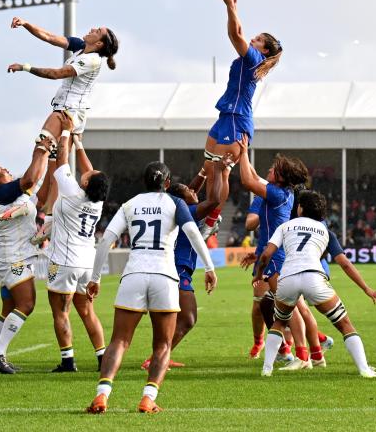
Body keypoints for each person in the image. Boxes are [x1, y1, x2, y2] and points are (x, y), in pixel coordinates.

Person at [85, 162, 217, 414]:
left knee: (119, 341)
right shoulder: (175, 203)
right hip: (164, 276)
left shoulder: (130, 204)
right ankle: (148, 398)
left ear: (144, 182)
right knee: (162, 345)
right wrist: (209, 268)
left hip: (134, 273)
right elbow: (193, 234)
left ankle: (102, 395)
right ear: (167, 183)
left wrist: (95, 278)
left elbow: (105, 242)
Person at [4, 17, 119, 233]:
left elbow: (57, 74)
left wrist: (25, 67)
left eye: (98, 30)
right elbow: (49, 37)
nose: (92, 27)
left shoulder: (92, 60)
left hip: (67, 112)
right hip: (73, 113)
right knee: (56, 167)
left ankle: (26, 197)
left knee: (42, 151)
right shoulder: (81, 47)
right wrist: (27, 24)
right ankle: (46, 215)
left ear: (100, 43)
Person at [254, 190, 376, 378]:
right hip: (314, 278)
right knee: (344, 324)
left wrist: (258, 274)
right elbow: (345, 264)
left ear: (300, 208)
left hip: (288, 278)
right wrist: (366, 288)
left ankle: (266, 369)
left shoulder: (285, 226)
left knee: (280, 322)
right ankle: (364, 369)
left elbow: (266, 255)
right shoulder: (326, 231)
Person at [0, 122, 58, 374]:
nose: (8, 171)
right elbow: (31, 178)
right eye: (3, 170)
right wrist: (42, 146)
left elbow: (42, 198)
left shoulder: (10, 195)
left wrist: (51, 161)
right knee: (27, 303)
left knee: (9, 307)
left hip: (12, 255)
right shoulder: (2, 192)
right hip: (14, 258)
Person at [198, 0, 283, 240]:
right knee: (209, 168)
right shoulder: (251, 57)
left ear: (264, 49)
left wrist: (230, 7)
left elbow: (236, 34)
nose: (251, 39)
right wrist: (234, 9)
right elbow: (240, 32)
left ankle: (212, 219)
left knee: (222, 171)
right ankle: (210, 214)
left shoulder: (254, 58)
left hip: (237, 120)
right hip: (225, 116)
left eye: (257, 39)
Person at [138, 166, 231, 371]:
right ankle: (155, 358)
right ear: (183, 198)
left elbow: (185, 191)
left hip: (171, 267)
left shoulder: (176, 208)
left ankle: (162, 355)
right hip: (178, 269)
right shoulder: (188, 211)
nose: (194, 192)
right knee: (188, 318)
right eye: (191, 192)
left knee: (174, 317)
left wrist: (203, 173)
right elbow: (215, 200)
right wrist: (220, 171)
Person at [233, 140, 313, 368]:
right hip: (275, 254)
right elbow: (255, 176)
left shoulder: (277, 194)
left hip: (276, 257)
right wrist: (241, 157)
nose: (268, 170)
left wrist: (244, 152)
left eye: (273, 168)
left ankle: (303, 355)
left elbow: (248, 180)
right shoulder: (281, 192)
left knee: (291, 305)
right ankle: (303, 352)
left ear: (280, 176)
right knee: (286, 305)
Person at [43, 129, 110, 373]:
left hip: (64, 261)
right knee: (87, 311)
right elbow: (90, 171)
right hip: (87, 263)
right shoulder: (98, 200)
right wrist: (79, 142)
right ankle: (103, 358)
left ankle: (68, 361)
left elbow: (61, 159)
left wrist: (64, 133)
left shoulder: (71, 192)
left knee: (61, 311)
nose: (87, 170)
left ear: (85, 182)